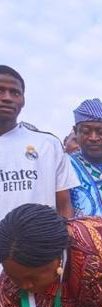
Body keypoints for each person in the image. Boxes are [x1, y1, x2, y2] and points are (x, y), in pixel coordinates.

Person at [0, 65, 75, 222]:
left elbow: (64, 205)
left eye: (15, 92)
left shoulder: (48, 145)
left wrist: (65, 235)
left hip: (44, 238)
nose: (7, 98)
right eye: (0, 90)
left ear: (23, 100)